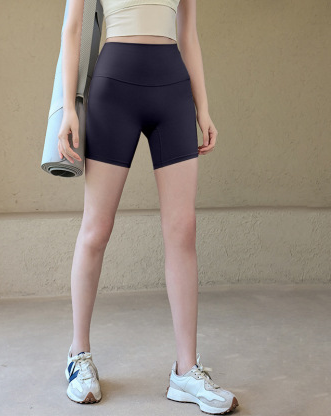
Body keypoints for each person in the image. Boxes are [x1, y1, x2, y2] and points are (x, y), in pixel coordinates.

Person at [59, 0, 239, 413]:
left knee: (183, 229)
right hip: (113, 90)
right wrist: (69, 108)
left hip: (173, 91)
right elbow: (73, 29)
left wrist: (203, 108)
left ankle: (185, 370)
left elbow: (188, 35)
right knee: (96, 228)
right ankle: (78, 355)